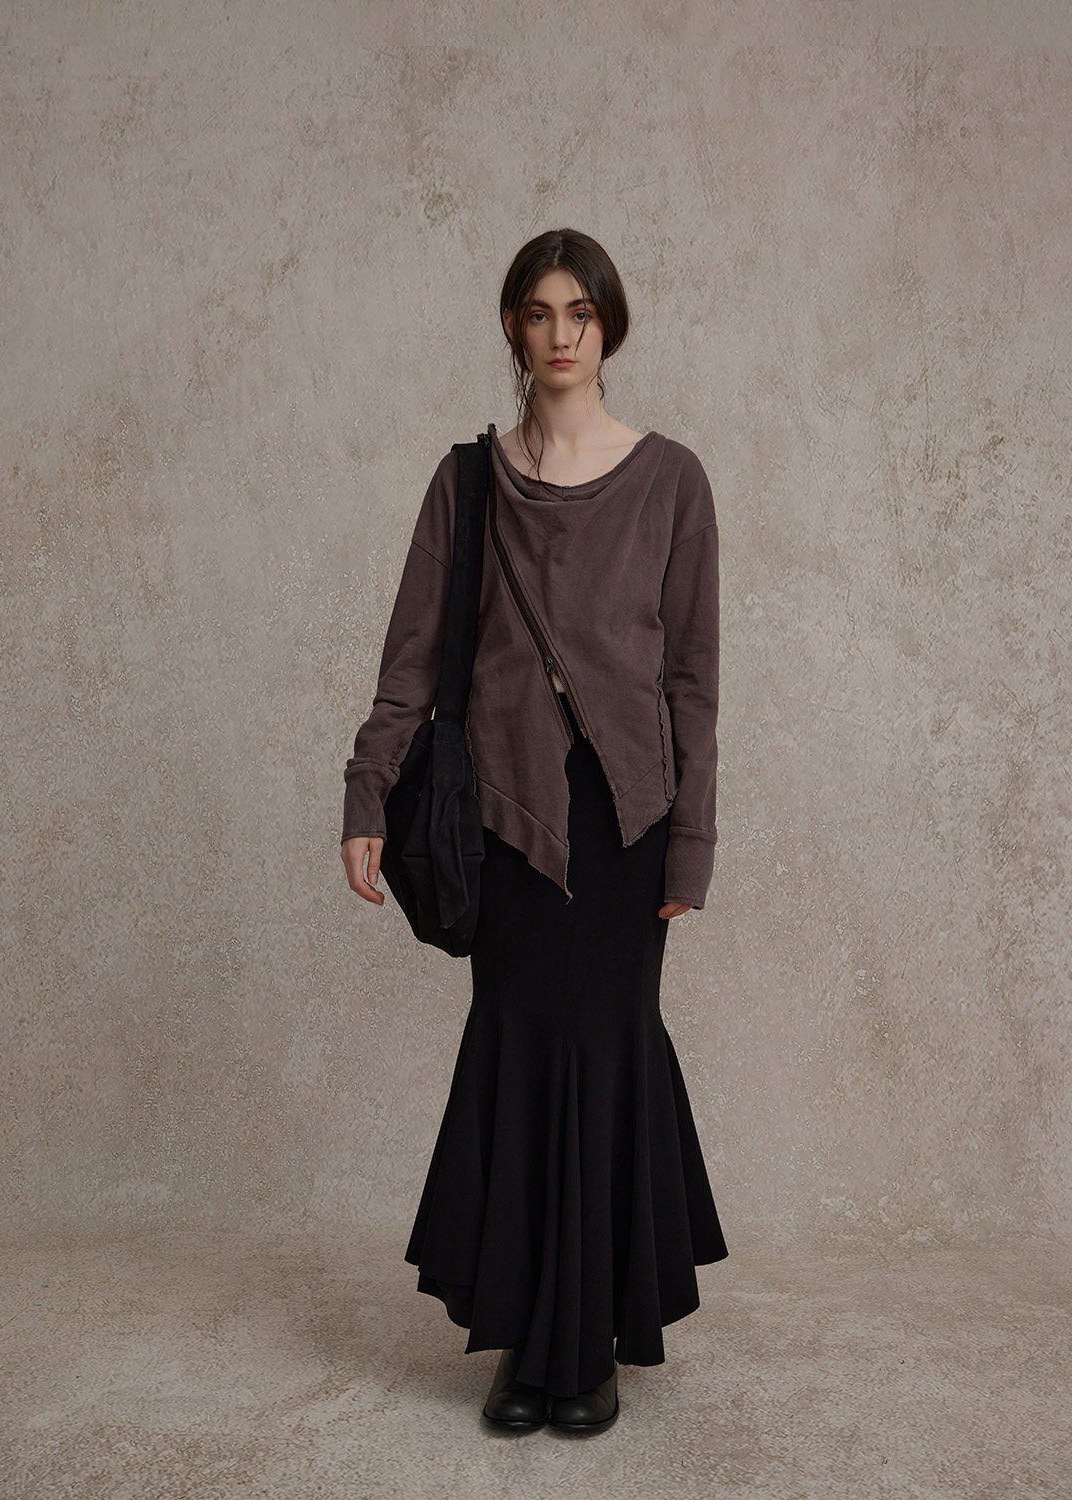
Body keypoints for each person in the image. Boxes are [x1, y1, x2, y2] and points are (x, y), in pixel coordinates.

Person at [339, 228, 727, 1434]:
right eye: (541, 312)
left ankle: (589, 1347)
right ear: (514, 326)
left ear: (610, 326)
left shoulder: (672, 482)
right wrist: (367, 792)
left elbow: (694, 683)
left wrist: (692, 844)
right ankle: (523, 1348)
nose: (563, 334)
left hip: (627, 825)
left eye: (582, 313)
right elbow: (411, 659)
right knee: (515, 1054)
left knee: (607, 1053)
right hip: (503, 818)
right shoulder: (468, 484)